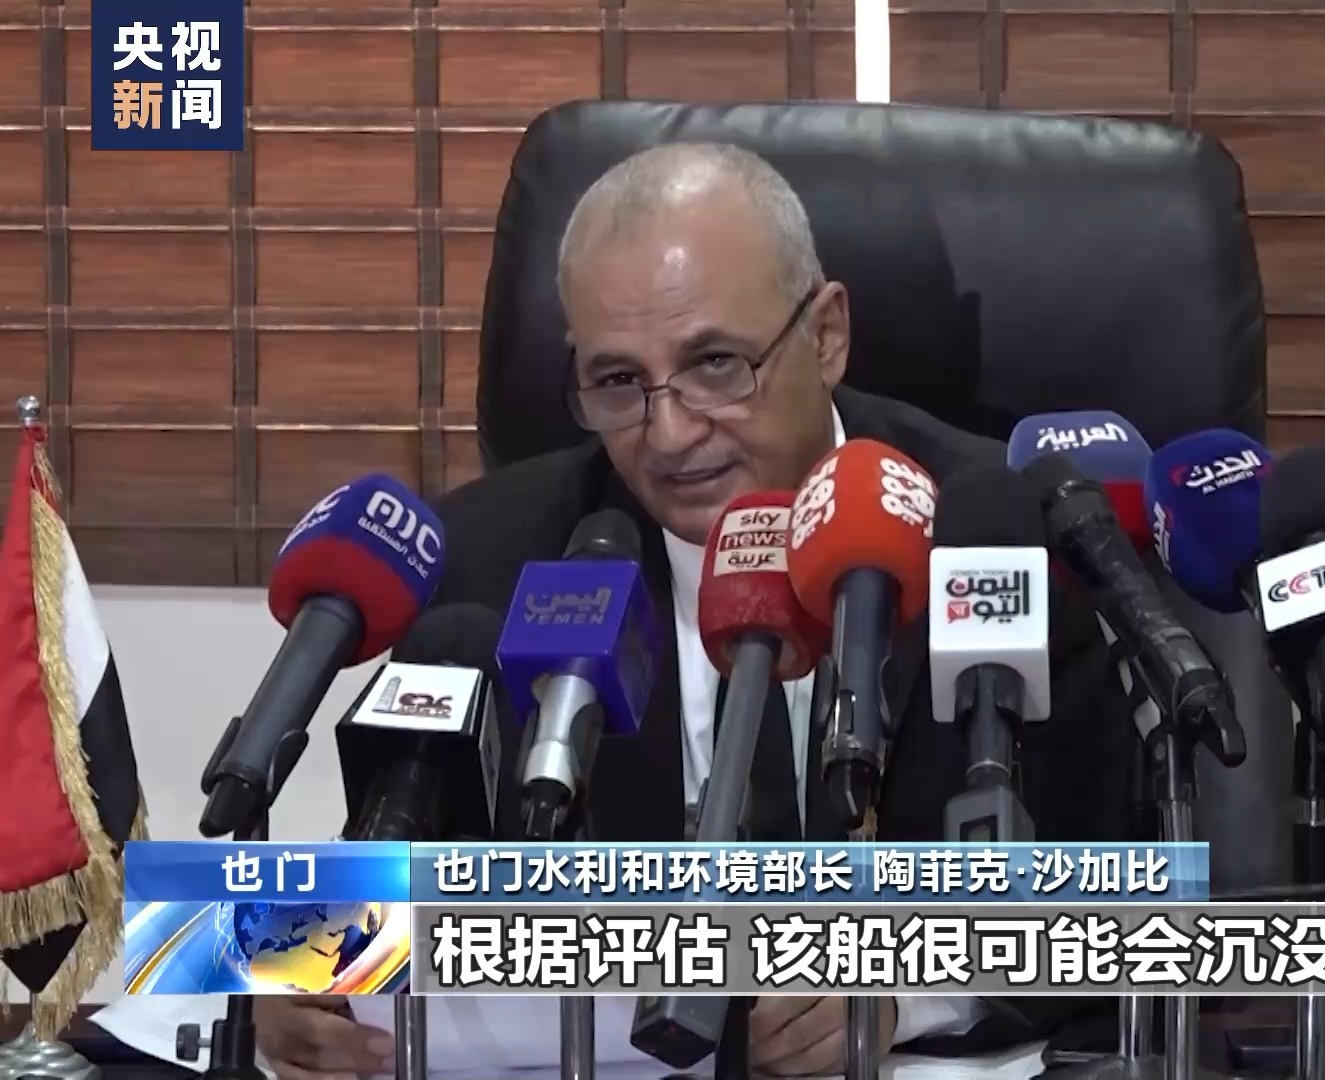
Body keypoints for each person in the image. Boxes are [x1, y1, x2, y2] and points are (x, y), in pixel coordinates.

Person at [253, 143, 1137, 1079]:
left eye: (716, 364)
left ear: (826, 335)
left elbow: (1124, 891)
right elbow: (391, 867)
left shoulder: (996, 528)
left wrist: (909, 983)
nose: (669, 434)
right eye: (618, 382)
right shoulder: (489, 561)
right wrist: (292, 973)